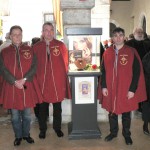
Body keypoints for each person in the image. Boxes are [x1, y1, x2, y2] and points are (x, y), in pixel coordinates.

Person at [99, 27, 147, 145]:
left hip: (125, 88)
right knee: (112, 111)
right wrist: (104, 86)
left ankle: (126, 134)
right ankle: (113, 132)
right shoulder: (107, 52)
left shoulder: (131, 52)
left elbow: (137, 72)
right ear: (112, 38)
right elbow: (103, 70)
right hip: (110, 88)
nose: (118, 38)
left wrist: (132, 89)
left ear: (124, 37)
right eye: (115, 35)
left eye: (120, 35)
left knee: (126, 113)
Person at [0, 25, 42, 146]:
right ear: (10, 36)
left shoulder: (30, 49)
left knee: (27, 116)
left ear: (22, 35)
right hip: (11, 87)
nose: (17, 36)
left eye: (19, 34)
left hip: (26, 86)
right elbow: (2, 69)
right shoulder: (4, 52)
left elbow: (34, 66)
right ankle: (18, 136)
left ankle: (26, 135)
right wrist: (14, 81)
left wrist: (24, 79)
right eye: (14, 34)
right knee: (14, 117)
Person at [32, 22, 71, 139]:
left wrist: (63, 80)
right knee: (42, 109)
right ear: (42, 32)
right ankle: (42, 129)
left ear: (53, 32)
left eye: (51, 30)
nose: (48, 33)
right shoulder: (36, 47)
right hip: (42, 83)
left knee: (57, 108)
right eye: (46, 30)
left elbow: (66, 63)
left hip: (56, 82)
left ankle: (57, 128)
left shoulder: (60, 45)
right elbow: (32, 66)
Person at [125, 27, 150, 112]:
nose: (139, 33)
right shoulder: (128, 44)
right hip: (133, 70)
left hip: (145, 70)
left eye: (141, 32)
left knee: (144, 89)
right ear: (134, 33)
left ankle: (143, 106)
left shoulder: (147, 44)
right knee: (134, 88)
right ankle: (135, 104)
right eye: (138, 32)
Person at [141, 51, 150, 135]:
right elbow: (146, 69)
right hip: (148, 86)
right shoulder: (147, 56)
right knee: (147, 106)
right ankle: (145, 125)